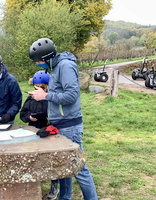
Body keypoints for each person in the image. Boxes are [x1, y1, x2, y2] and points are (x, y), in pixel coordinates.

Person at [28, 38, 98, 200]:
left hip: (70, 126)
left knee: (79, 169)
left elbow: (72, 95)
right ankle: (64, 198)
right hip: (60, 124)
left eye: (38, 61)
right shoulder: (56, 66)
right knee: (64, 167)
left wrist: (45, 95)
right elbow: (59, 94)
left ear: (46, 58)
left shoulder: (65, 66)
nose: (38, 64)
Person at [19, 70, 59, 199]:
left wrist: (45, 120)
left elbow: (57, 117)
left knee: (51, 159)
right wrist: (30, 118)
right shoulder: (30, 97)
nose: (38, 88)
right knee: (31, 157)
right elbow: (22, 114)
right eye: (36, 86)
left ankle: (55, 184)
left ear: (47, 86)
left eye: (42, 86)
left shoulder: (51, 97)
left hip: (48, 133)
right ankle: (32, 183)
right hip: (32, 132)